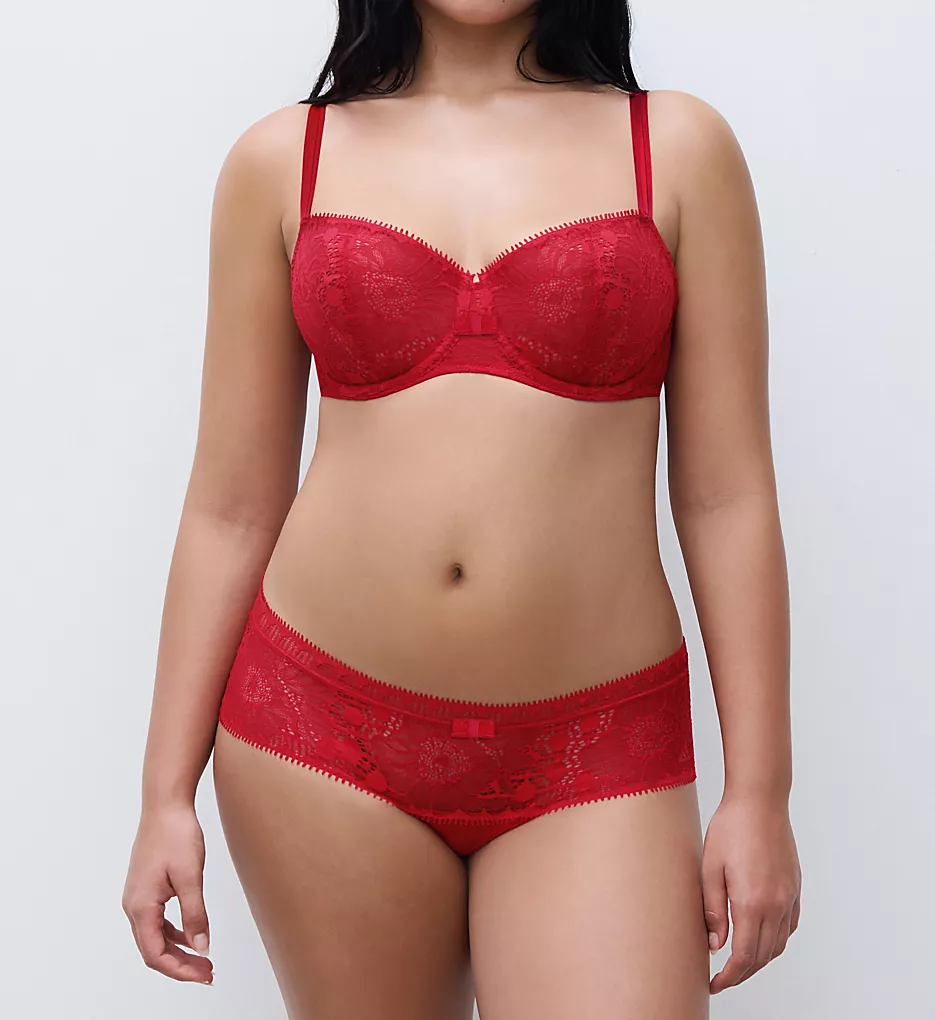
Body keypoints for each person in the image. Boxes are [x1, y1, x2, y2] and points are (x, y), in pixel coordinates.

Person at [122, 1, 802, 1016]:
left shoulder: (674, 147)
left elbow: (725, 495)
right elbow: (230, 506)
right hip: (319, 736)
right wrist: (162, 795)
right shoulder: (283, 159)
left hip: (597, 747)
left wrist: (760, 792)